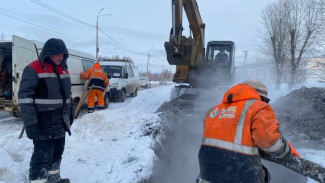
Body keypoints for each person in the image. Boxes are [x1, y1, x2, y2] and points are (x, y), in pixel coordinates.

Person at [198, 79, 300, 183]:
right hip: (239, 177)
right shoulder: (258, 108)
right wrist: (288, 152)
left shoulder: (213, 111)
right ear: (260, 97)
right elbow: (270, 144)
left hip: (206, 177)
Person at [18, 38, 74, 183]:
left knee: (57, 153)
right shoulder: (33, 68)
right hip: (42, 122)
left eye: (62, 54)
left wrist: (70, 112)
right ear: (48, 53)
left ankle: (54, 178)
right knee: (42, 156)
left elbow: (68, 95)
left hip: (60, 121)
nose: (60, 57)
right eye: (57, 54)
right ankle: (37, 180)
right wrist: (31, 123)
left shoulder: (64, 69)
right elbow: (25, 98)